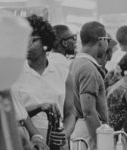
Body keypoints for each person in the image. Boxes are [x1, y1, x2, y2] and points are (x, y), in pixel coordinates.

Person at [11, 14, 65, 149]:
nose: (27, 45)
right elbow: (17, 113)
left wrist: (66, 132)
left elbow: (70, 112)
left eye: (33, 40)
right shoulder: (14, 72)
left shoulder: (61, 70)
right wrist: (40, 108)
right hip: (30, 142)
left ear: (45, 42)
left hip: (57, 141)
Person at [63, 21, 110, 150]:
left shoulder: (75, 63)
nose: (107, 44)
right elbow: (89, 112)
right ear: (101, 41)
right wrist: (100, 143)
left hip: (80, 130)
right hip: (89, 132)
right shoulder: (88, 68)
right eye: (107, 40)